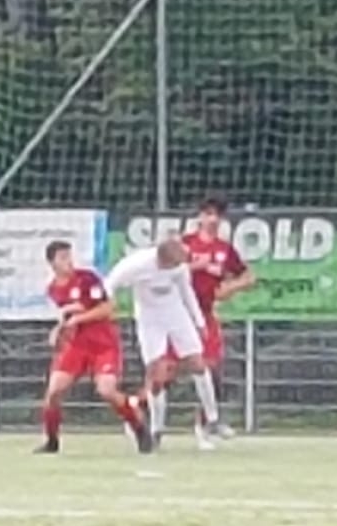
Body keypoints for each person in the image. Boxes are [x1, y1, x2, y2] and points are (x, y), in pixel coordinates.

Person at [35, 240, 151, 455]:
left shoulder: (87, 279)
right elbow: (69, 315)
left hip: (103, 344)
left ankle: (139, 427)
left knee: (107, 390)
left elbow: (107, 308)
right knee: (54, 392)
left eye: (69, 256)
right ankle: (52, 441)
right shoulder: (53, 289)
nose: (69, 262)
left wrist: (78, 318)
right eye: (63, 258)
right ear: (52, 263)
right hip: (76, 346)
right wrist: (59, 329)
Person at [106, 237, 219, 450]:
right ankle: (156, 429)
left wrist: (199, 322)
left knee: (198, 363)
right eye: (173, 264)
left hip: (176, 315)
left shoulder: (179, 266)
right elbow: (110, 283)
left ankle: (213, 418)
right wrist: (109, 305)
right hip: (149, 320)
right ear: (163, 260)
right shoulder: (136, 264)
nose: (178, 267)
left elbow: (186, 292)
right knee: (156, 377)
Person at [171, 195, 256, 440]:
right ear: (199, 217)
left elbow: (249, 277)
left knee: (212, 369)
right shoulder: (185, 244)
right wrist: (194, 267)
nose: (212, 219)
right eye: (207, 214)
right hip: (179, 314)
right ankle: (140, 412)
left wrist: (231, 288)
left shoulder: (224, 249)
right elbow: (165, 270)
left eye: (217, 215)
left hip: (205, 315)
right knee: (165, 373)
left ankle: (206, 424)